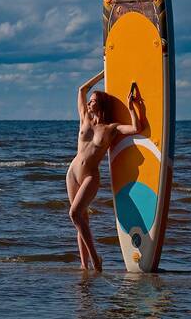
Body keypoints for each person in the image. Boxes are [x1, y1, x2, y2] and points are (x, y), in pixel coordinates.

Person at [66, 69, 143, 271]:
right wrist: (104, 72)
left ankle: (96, 261)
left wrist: (131, 107)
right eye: (89, 101)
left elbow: (137, 128)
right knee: (81, 220)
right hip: (72, 173)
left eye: (93, 101)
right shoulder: (84, 118)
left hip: (90, 175)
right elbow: (82, 89)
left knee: (75, 214)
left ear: (100, 104)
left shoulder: (111, 128)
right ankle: (84, 266)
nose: (89, 103)